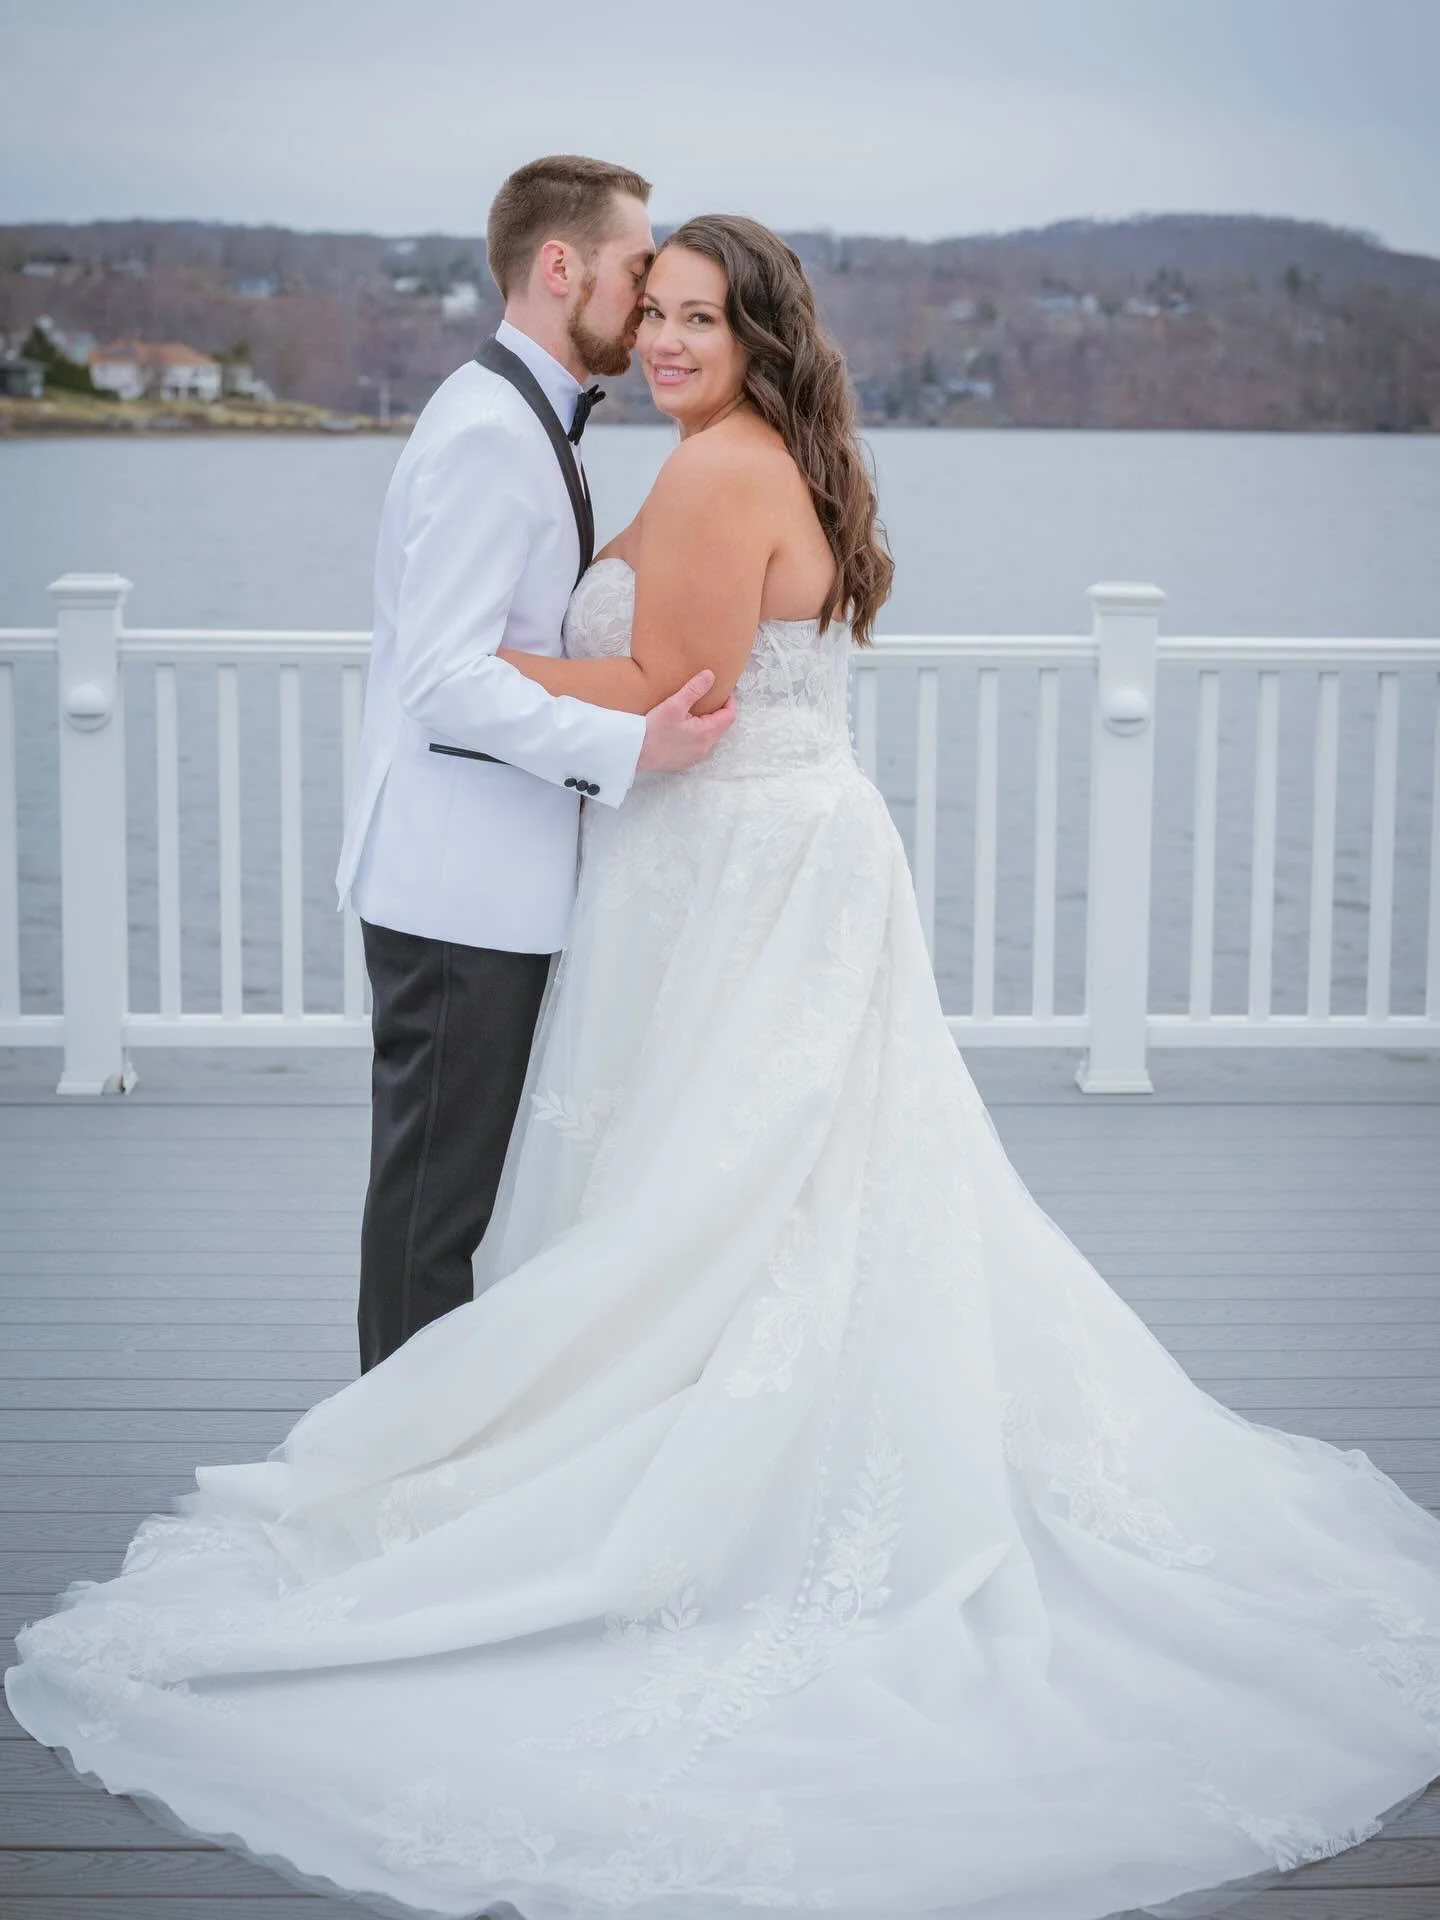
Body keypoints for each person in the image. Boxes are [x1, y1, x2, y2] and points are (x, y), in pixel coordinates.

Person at [8, 214, 1440, 1920]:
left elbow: (662, 687)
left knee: (712, 1185)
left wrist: (450, 680)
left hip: (736, 870)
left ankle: (657, 1472)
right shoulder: (794, 459)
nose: (671, 342)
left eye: (702, 318)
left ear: (762, 333)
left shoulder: (712, 474)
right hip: (795, 849)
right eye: (658, 313)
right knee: (798, 1182)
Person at [334, 153, 734, 1373]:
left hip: (486, 884)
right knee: (431, 1213)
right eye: (634, 270)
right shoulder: (486, 436)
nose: (647, 292)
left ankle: (420, 1452)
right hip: (456, 892)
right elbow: (445, 681)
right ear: (560, 267)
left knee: (454, 1201)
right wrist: (632, 744)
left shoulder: (514, 417)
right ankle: (388, 1478)